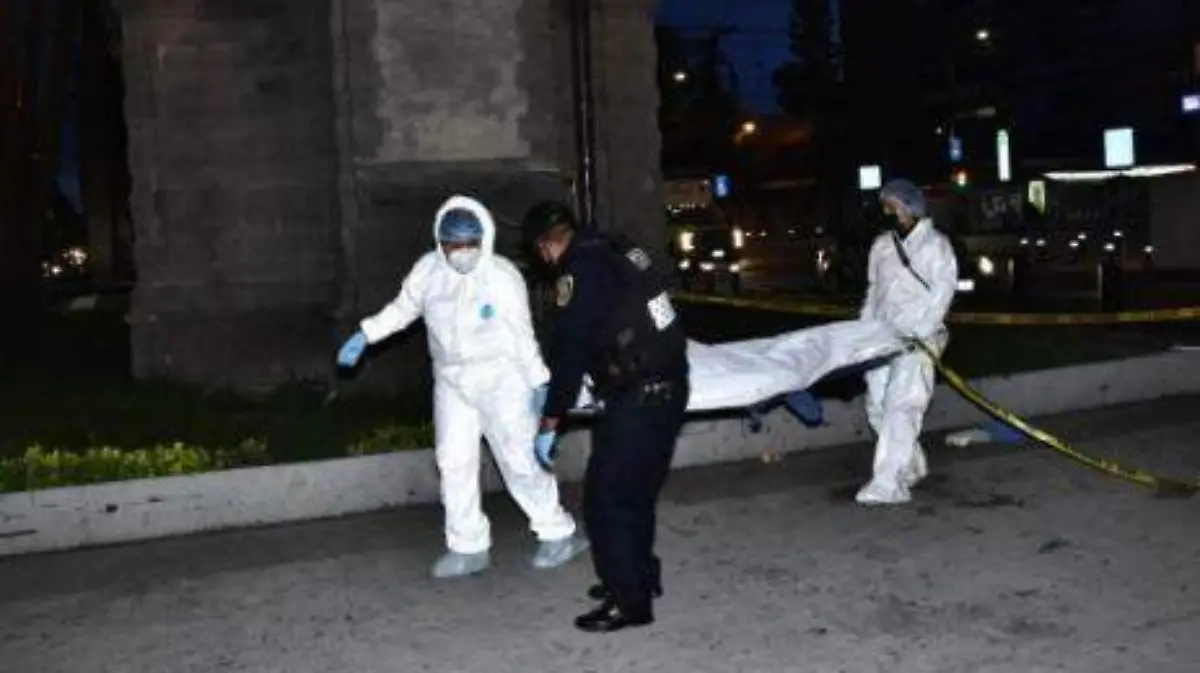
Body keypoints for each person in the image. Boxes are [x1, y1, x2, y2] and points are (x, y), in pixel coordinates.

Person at [336, 195, 588, 578]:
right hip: (452, 381)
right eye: (453, 244)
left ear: (483, 238)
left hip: (502, 380)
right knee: (453, 462)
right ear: (441, 243)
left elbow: (522, 337)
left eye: (470, 242)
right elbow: (403, 308)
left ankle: (557, 532)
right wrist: (366, 334)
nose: (462, 252)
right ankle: (467, 545)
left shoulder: (501, 276)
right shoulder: (428, 272)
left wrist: (540, 386)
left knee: (519, 460)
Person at [522, 201, 689, 634]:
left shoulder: (580, 271)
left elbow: (570, 350)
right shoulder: (618, 248)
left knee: (607, 500)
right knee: (636, 493)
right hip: (669, 384)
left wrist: (551, 419)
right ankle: (638, 576)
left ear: (545, 246)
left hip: (638, 395)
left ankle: (628, 602)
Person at [857, 179, 959, 505]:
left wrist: (921, 333)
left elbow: (942, 294)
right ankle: (910, 464)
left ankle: (888, 485)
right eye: (885, 206)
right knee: (877, 406)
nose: (886, 211)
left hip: (918, 340)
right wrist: (862, 334)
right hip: (881, 337)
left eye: (892, 205)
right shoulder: (881, 246)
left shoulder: (936, 245)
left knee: (902, 407)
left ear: (909, 207)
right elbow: (874, 292)